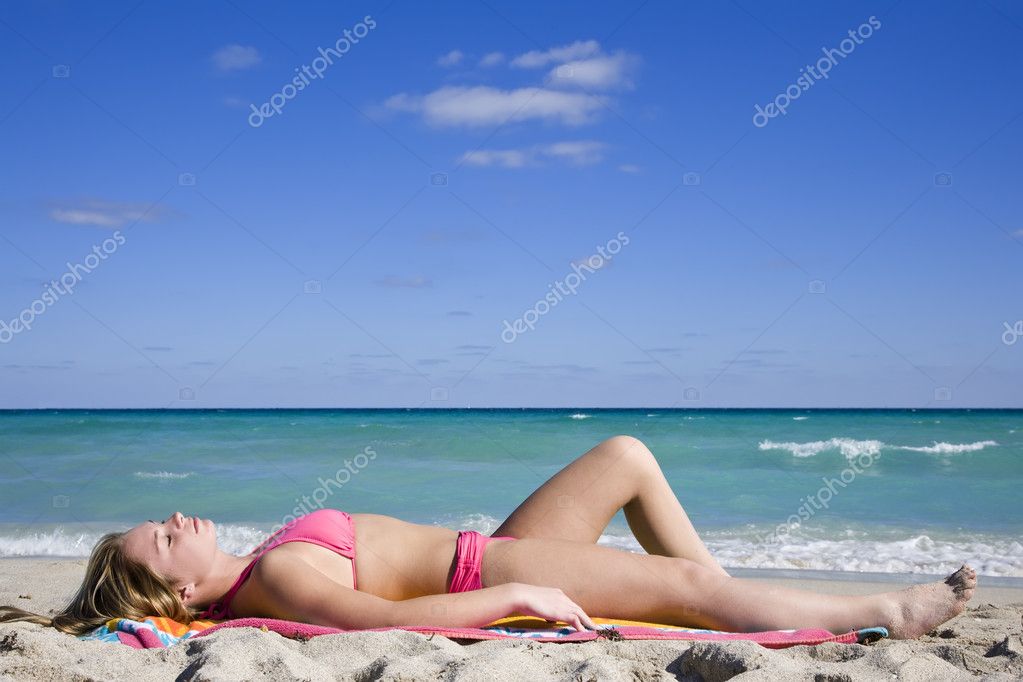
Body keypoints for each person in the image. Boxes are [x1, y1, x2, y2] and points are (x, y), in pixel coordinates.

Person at [0, 436, 975, 638]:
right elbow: (389, 620)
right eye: (163, 540)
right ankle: (882, 610)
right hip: (492, 566)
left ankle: (735, 610)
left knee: (627, 457)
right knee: (680, 582)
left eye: (163, 519)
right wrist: (515, 596)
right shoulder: (286, 580)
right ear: (174, 596)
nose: (176, 519)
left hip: (490, 542)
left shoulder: (261, 565)